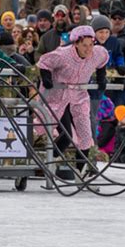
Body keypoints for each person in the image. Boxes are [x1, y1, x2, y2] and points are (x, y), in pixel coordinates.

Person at [37, 25, 109, 174]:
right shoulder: (63, 55)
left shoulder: (97, 53)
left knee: (85, 133)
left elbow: (103, 61)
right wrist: (46, 78)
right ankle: (45, 162)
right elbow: (44, 62)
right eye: (84, 46)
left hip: (79, 95)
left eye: (91, 45)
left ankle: (81, 168)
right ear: (76, 43)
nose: (88, 49)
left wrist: (102, 77)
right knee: (65, 135)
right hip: (58, 96)